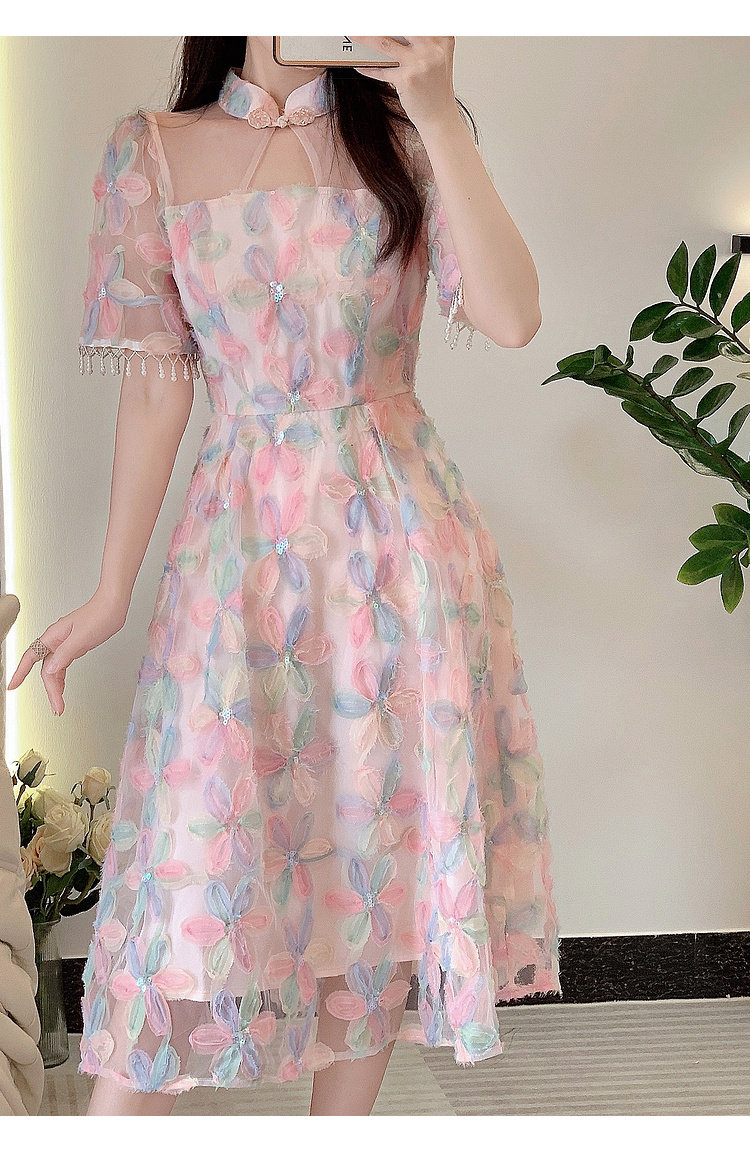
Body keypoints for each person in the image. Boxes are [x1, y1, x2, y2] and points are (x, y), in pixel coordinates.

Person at [7, 35, 561, 1116]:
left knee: (378, 858)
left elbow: (512, 316)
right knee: (186, 884)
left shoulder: (407, 135)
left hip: (399, 553)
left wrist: (439, 110)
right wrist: (111, 589)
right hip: (238, 560)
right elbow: (159, 385)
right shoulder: (153, 151)